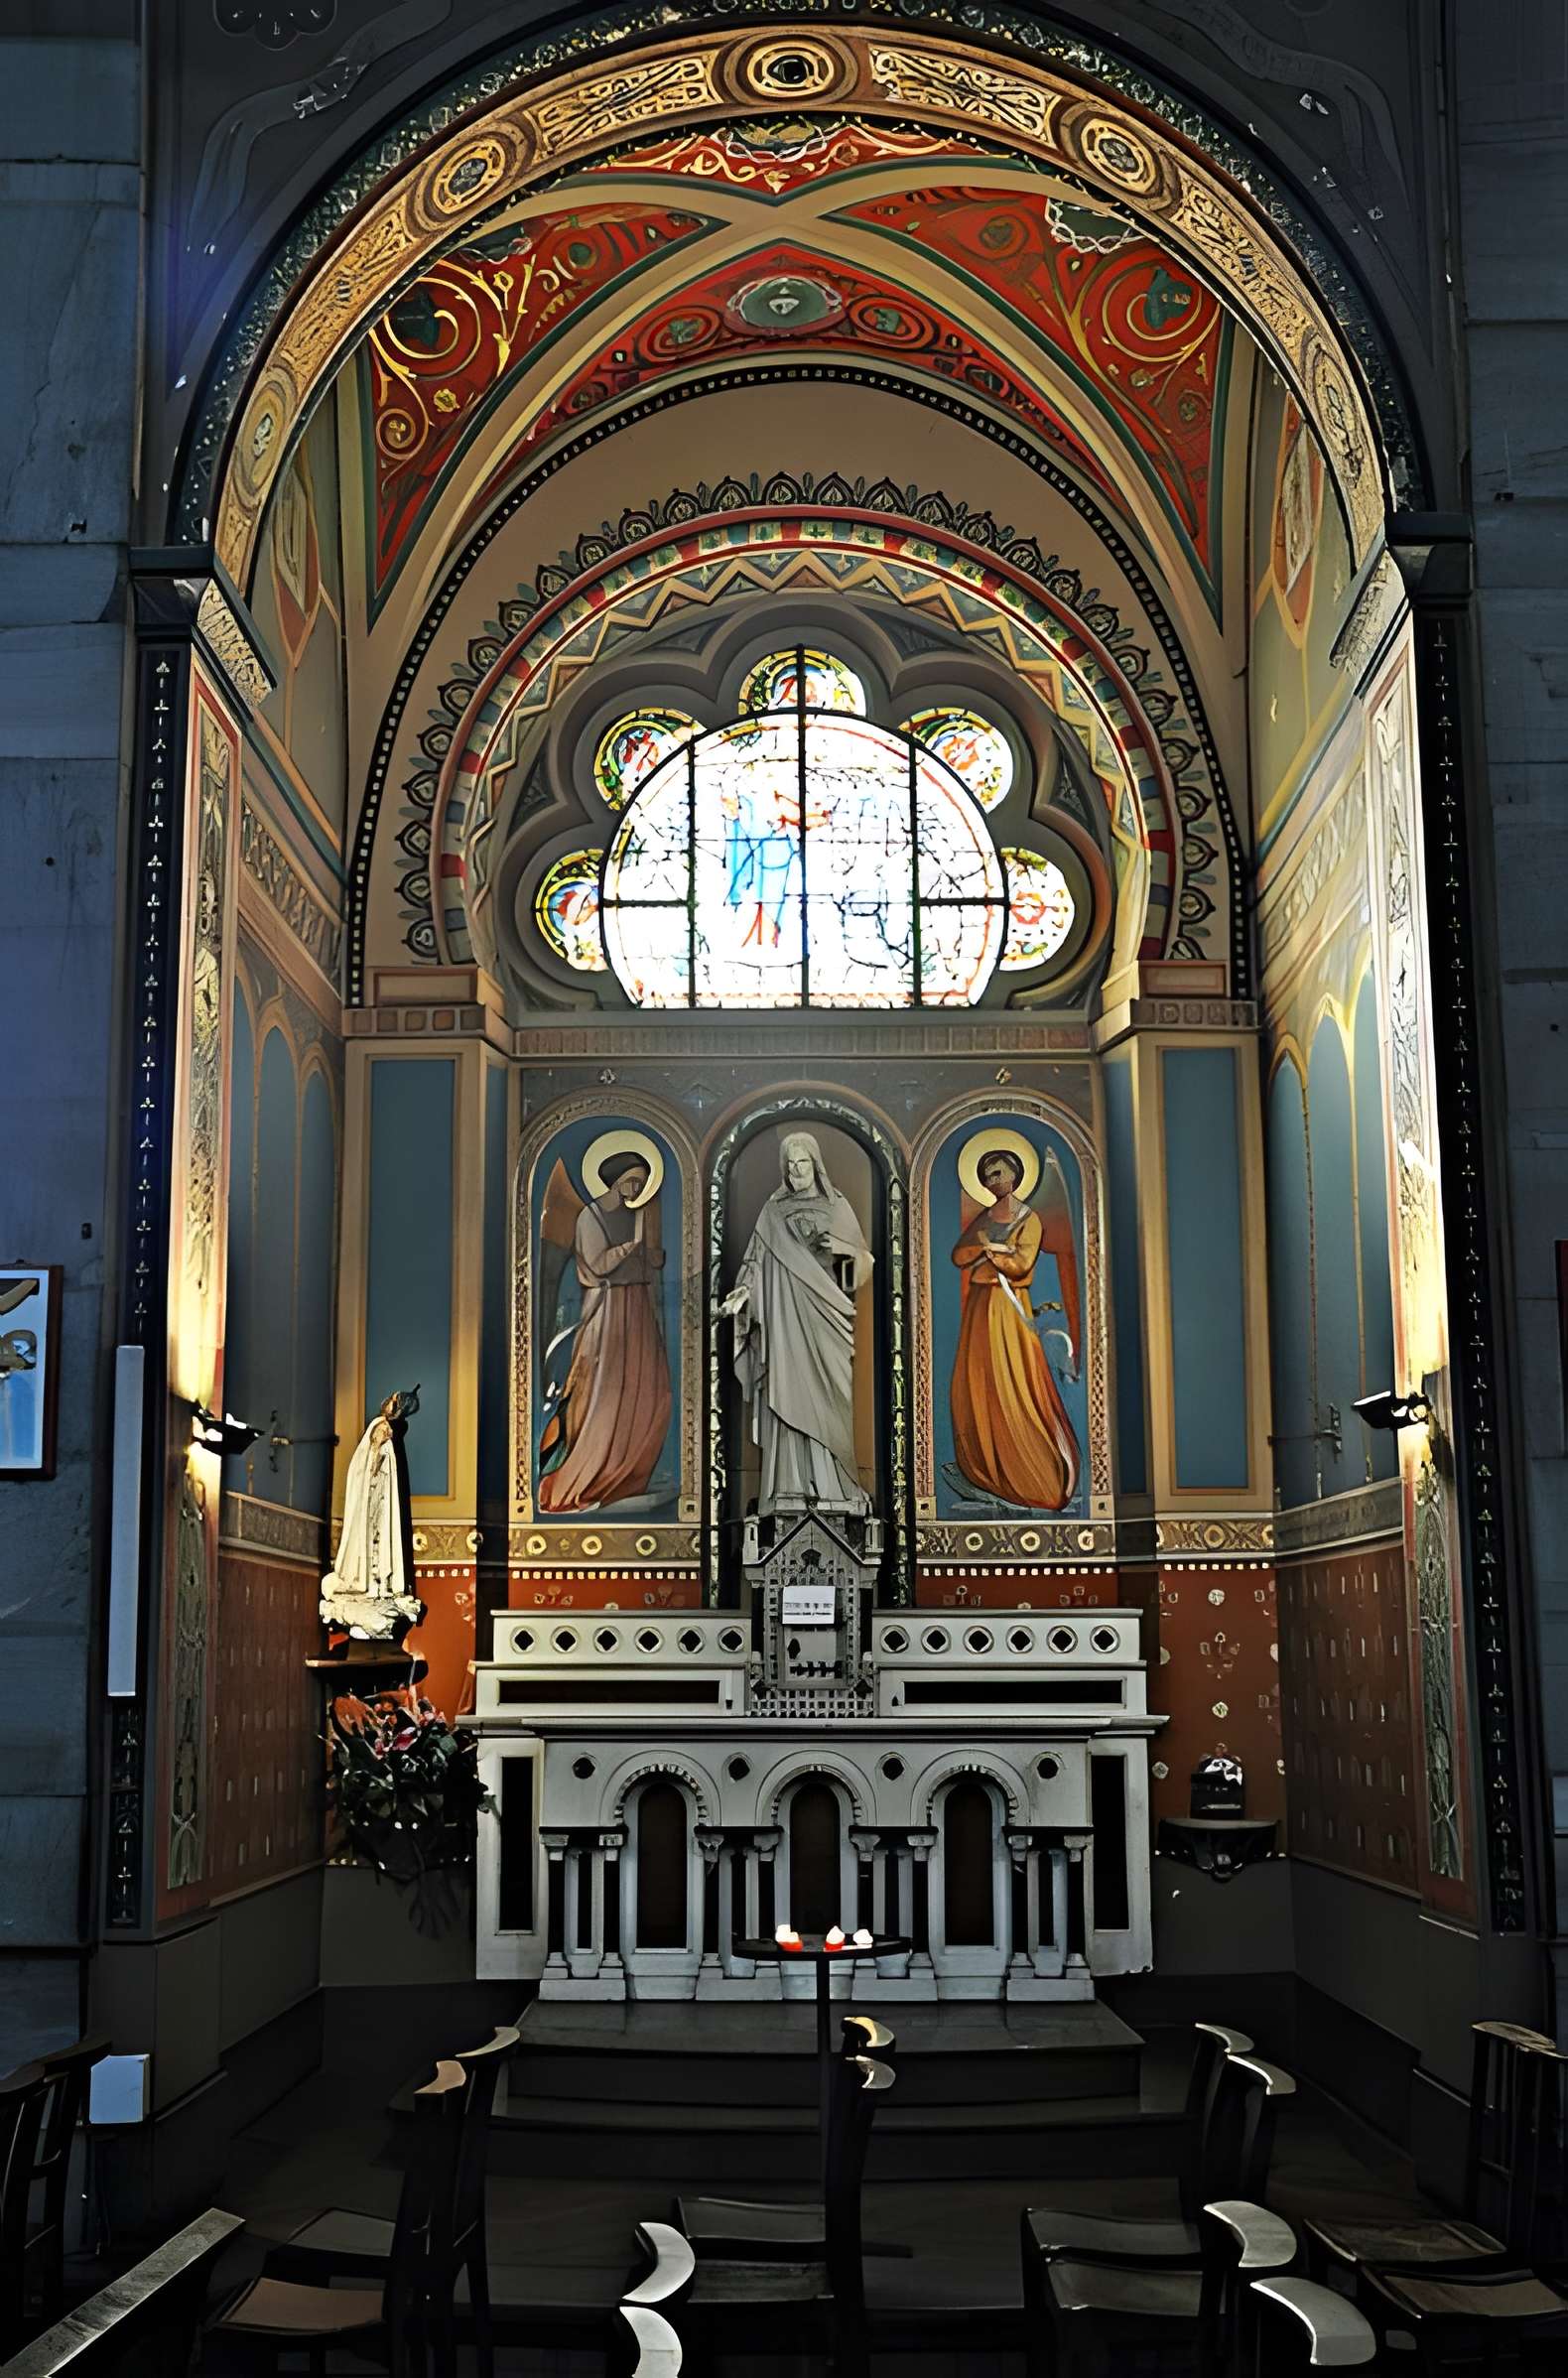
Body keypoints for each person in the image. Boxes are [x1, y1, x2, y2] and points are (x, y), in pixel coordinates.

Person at [719, 1129, 873, 1516]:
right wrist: (742, 1294)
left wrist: (834, 1250)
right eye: (789, 1163)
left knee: (829, 1401)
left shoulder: (836, 1206)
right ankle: (787, 1488)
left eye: (802, 1162)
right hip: (783, 1321)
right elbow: (754, 1264)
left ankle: (835, 1487)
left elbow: (858, 1270)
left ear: (815, 1164)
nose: (796, 1169)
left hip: (825, 1321)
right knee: (786, 1393)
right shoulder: (772, 1212)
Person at [539, 1152, 671, 1513]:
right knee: (604, 1393)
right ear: (615, 1180)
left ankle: (628, 1473)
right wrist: (634, 1247)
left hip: (638, 1309)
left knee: (650, 1391)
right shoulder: (590, 1216)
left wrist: (650, 1253)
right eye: (633, 1180)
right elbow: (597, 1265)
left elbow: (650, 1265)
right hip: (607, 1311)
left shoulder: (636, 1215)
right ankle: (589, 1473)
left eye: (642, 1183)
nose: (637, 1188)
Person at [950, 1145, 1080, 1510]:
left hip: (1007, 1308)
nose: (994, 1181)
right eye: (988, 1175)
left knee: (1013, 1381)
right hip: (979, 1305)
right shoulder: (985, 1218)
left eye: (999, 1173)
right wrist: (986, 1247)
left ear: (1015, 1176)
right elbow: (959, 1255)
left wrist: (991, 1251)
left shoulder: (1028, 1218)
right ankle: (985, 1468)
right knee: (977, 1381)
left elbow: (1022, 1264)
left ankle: (1033, 1472)